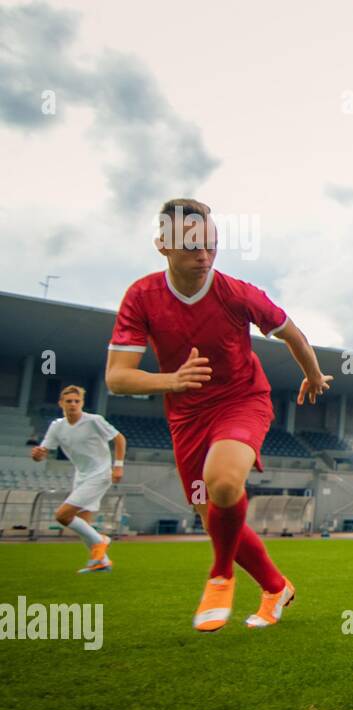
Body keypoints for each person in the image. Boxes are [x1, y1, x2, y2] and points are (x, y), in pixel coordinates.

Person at [105, 198, 333, 630]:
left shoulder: (238, 293)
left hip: (242, 400)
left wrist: (315, 376)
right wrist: (171, 381)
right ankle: (275, 586)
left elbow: (294, 336)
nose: (203, 253)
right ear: (162, 244)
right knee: (208, 511)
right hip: (186, 415)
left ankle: (220, 575)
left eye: (210, 243)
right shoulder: (142, 296)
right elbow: (117, 378)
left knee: (224, 483)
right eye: (191, 244)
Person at [31, 385, 126, 573]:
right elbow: (43, 453)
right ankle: (102, 562)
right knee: (83, 524)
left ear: (82, 403)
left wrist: (118, 466)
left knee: (62, 515)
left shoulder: (94, 421)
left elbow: (120, 439)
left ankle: (101, 541)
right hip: (81, 476)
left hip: (100, 474)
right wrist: (37, 455)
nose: (73, 404)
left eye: (77, 401)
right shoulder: (57, 426)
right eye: (69, 401)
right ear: (61, 403)